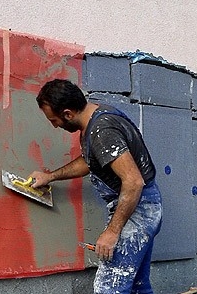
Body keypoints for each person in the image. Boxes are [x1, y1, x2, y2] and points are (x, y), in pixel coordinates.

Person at [29, 79, 162, 294]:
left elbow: (133, 182)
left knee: (109, 288)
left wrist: (112, 232)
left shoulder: (102, 131)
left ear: (68, 114)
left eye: (54, 120)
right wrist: (50, 177)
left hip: (137, 209)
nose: (54, 126)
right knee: (138, 286)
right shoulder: (98, 116)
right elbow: (91, 160)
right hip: (144, 206)